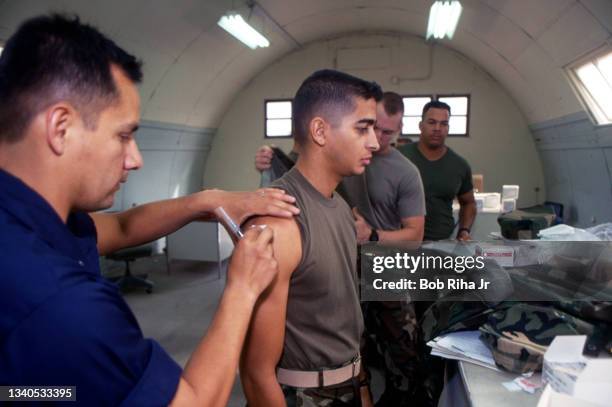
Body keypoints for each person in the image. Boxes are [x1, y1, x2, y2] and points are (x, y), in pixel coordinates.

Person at [0, 14, 300, 407]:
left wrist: (205, 200)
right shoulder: (63, 306)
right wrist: (242, 288)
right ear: (61, 127)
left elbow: (123, 228)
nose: (136, 159)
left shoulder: (26, 223)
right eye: (123, 135)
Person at [240, 69, 381, 406]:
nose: (374, 141)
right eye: (362, 128)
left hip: (347, 384)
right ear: (320, 131)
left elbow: (344, 319)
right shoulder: (278, 219)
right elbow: (256, 372)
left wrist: (360, 388)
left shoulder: (341, 207)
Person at [398, 100, 476, 242]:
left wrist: (464, 230)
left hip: (441, 243)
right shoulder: (399, 157)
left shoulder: (459, 165)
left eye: (443, 124)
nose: (437, 128)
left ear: (448, 128)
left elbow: (469, 203)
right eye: (432, 122)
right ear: (421, 126)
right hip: (400, 243)